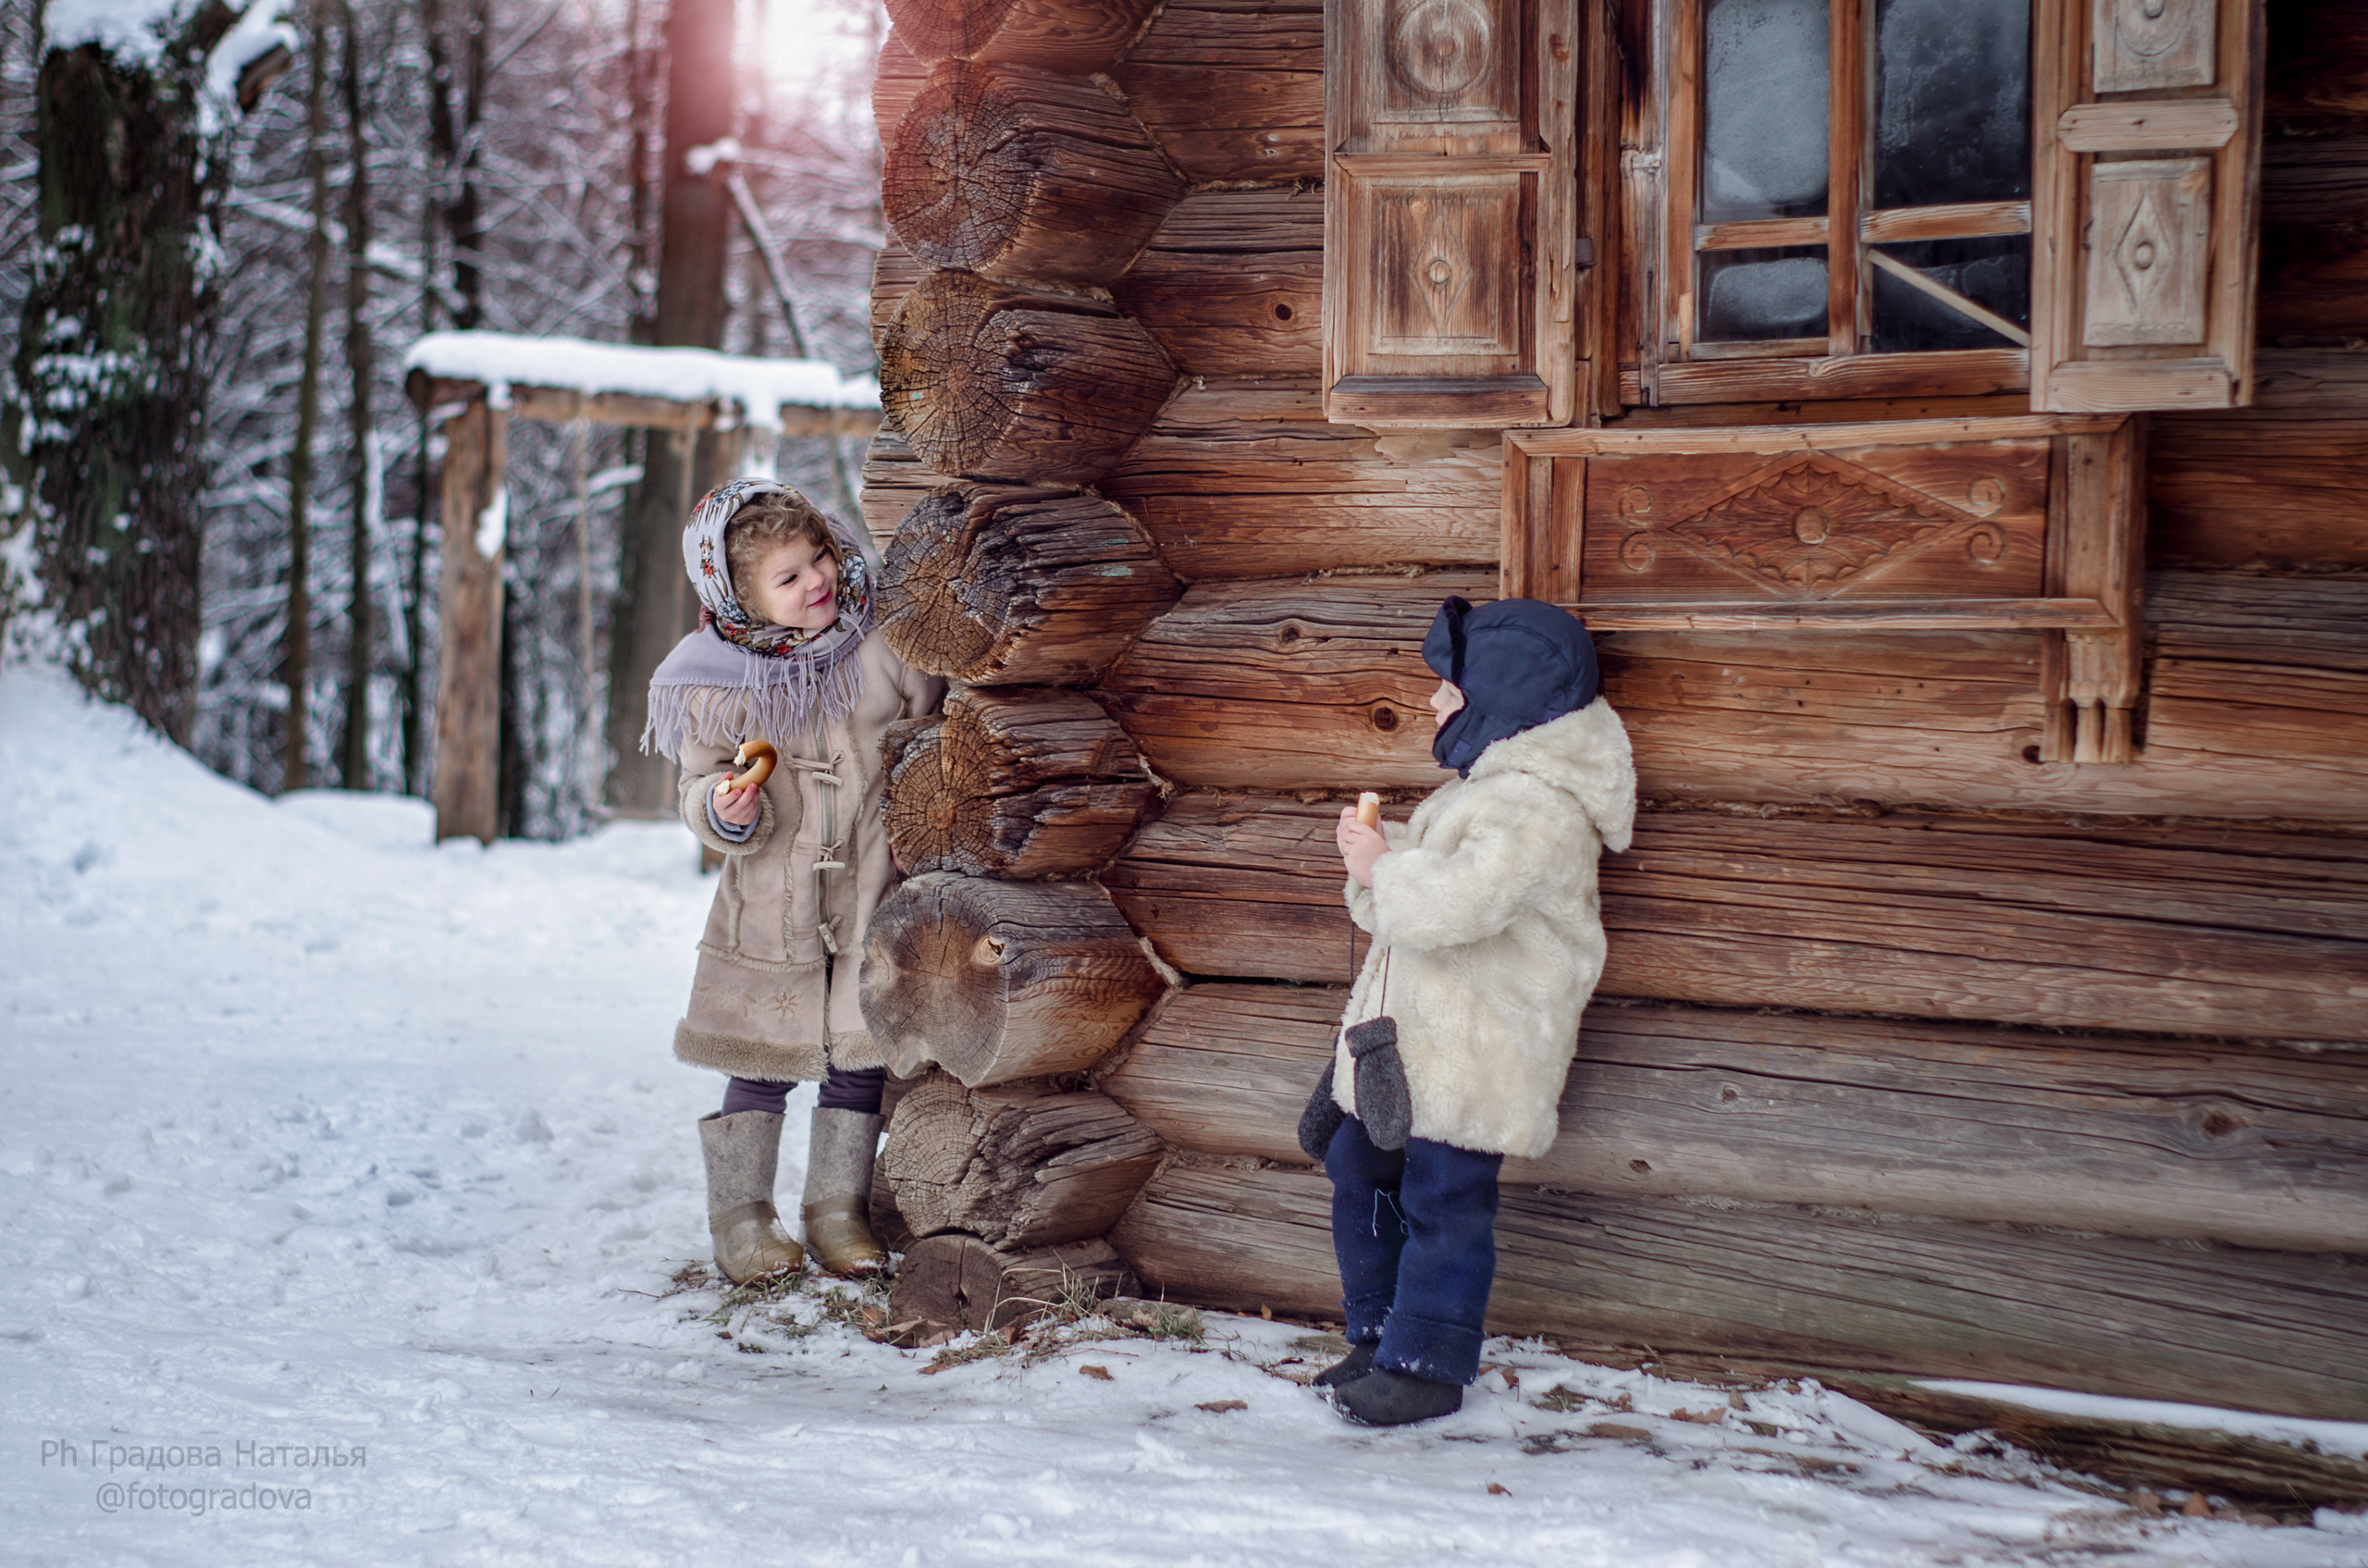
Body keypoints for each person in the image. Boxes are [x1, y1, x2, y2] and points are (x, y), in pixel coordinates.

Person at [1300, 595, 1635, 1426]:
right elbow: (1409, 912)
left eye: (1450, 691)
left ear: (1503, 694)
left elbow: (1460, 903)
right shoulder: (1480, 794)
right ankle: (1379, 1334)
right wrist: (1375, 865)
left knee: (1446, 1198)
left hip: (1478, 1051)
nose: (1434, 704)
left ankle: (1428, 1362)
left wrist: (1388, 867)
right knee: (1358, 1167)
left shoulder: (1539, 807)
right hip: (1417, 1048)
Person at [643, 478, 944, 1283]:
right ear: (740, 601)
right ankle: (741, 1216)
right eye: (789, 577)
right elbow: (698, 790)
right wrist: (725, 806)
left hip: (869, 885)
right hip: (772, 902)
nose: (817, 581)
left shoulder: (880, 643)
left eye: (817, 557)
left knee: (858, 1055)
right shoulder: (714, 678)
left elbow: (929, 733)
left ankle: (834, 1209)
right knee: (763, 1057)